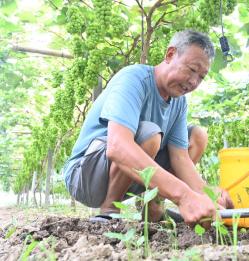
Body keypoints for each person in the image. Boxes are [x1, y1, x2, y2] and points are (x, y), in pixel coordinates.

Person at [62, 30, 234, 226]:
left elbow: (180, 158)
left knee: (197, 136)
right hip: (85, 176)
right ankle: (109, 210)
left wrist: (208, 194)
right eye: (192, 69)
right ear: (170, 55)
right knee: (150, 134)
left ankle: (153, 207)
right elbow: (117, 146)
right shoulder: (133, 78)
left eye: (201, 77)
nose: (194, 82)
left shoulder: (179, 102)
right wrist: (184, 196)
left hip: (130, 173)